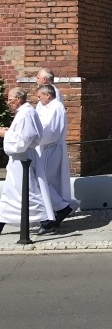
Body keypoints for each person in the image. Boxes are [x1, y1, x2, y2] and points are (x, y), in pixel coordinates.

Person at [0, 88, 56, 235]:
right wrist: (9, 132)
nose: (9, 103)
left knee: (27, 191)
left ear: (19, 99)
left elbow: (23, 140)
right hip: (20, 159)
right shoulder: (25, 112)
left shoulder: (25, 113)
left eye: (11, 100)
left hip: (22, 158)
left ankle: (46, 220)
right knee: (11, 192)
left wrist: (6, 134)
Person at [35, 85, 73, 225]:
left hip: (49, 147)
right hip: (49, 147)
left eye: (39, 96)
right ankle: (52, 210)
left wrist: (32, 136)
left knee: (41, 180)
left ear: (48, 95)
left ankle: (61, 207)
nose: (38, 99)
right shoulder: (50, 107)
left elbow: (48, 130)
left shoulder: (55, 107)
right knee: (48, 180)